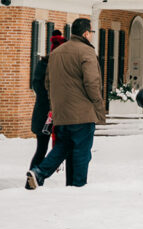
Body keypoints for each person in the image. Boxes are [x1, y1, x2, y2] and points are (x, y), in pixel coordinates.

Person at [26, 17, 104, 189]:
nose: (91, 35)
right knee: (82, 153)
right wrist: (99, 106)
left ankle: (39, 172)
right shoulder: (86, 52)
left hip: (61, 114)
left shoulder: (56, 53)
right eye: (91, 32)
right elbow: (92, 83)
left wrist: (54, 106)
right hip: (82, 113)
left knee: (64, 147)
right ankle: (77, 188)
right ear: (85, 33)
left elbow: (47, 84)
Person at [29, 31, 73, 184]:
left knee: (58, 147)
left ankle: (38, 174)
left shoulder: (62, 65)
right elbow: (37, 85)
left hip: (58, 114)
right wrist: (51, 102)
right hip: (45, 115)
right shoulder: (44, 64)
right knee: (42, 148)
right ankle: (34, 176)